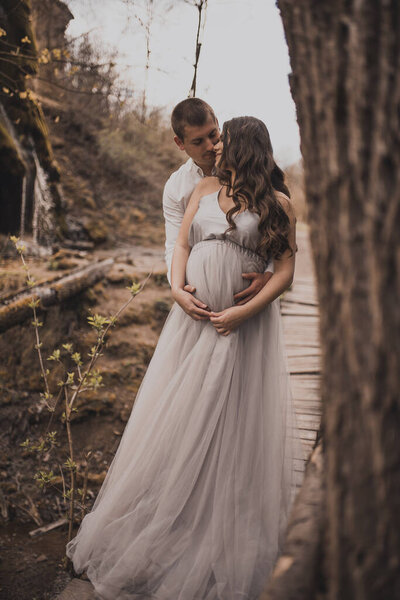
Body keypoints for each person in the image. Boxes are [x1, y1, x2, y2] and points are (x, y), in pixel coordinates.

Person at [66, 115, 304, 600]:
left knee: (232, 419)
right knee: (182, 412)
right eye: (212, 141)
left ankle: (223, 526)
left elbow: (285, 272)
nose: (217, 148)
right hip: (191, 322)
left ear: (248, 148)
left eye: (225, 140)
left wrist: (246, 312)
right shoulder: (202, 189)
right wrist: (177, 288)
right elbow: (180, 243)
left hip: (242, 326)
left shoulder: (277, 202)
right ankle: (176, 513)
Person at [163, 98, 273, 310]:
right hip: (199, 300)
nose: (210, 146)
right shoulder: (176, 188)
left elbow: (279, 233)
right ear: (180, 143)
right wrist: (178, 289)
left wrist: (269, 274)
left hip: (249, 301)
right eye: (197, 141)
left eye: (213, 134)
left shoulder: (250, 172)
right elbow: (175, 244)